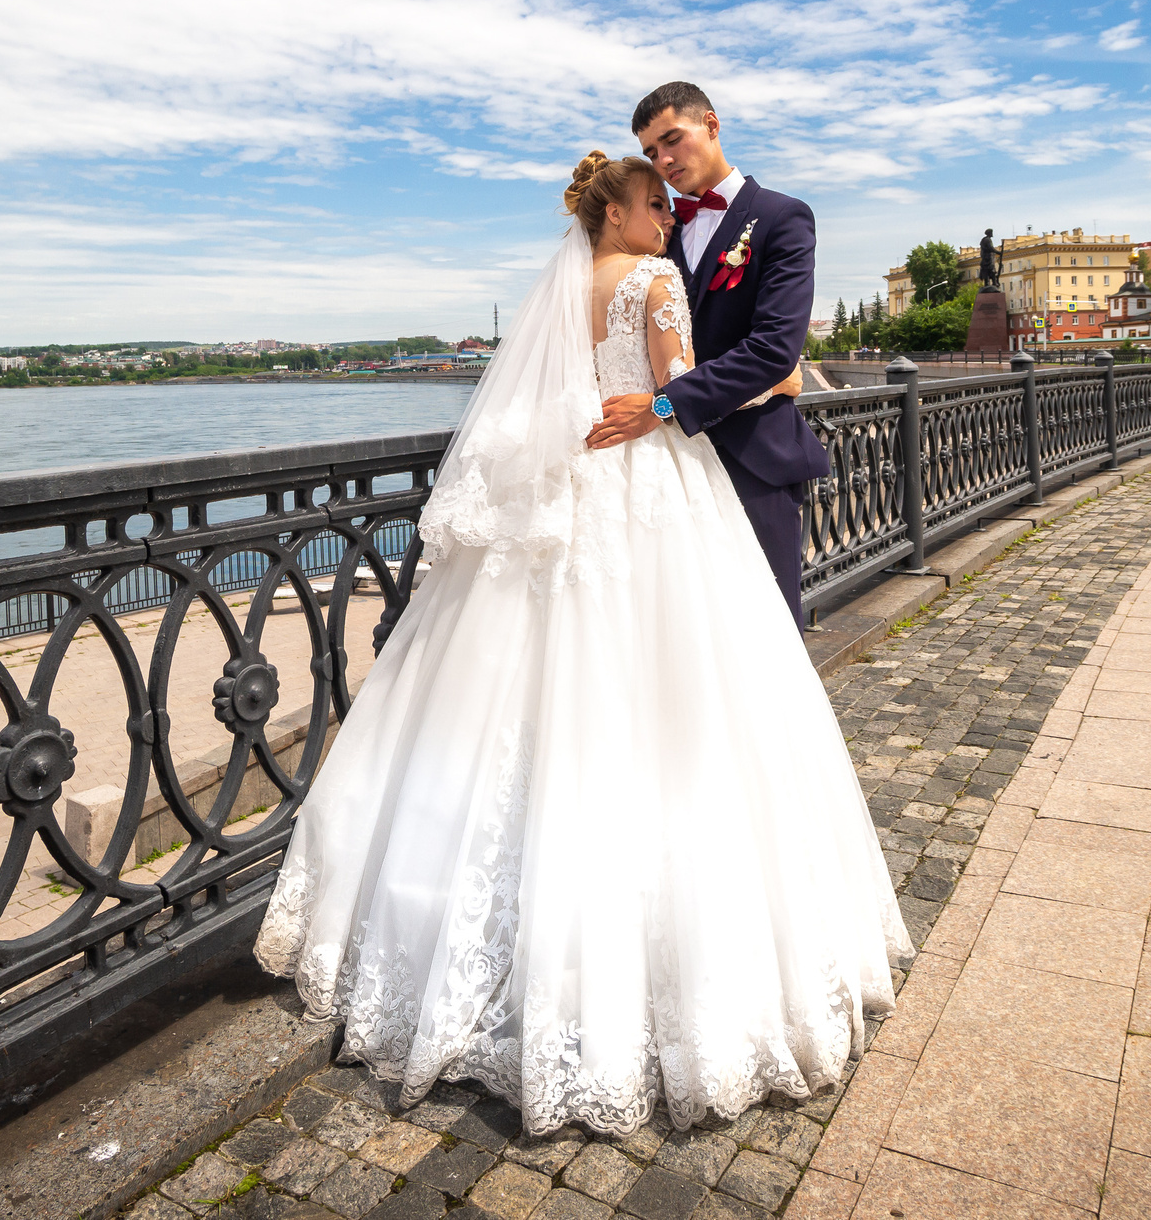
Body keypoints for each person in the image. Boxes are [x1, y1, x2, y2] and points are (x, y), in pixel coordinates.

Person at [254, 150, 908, 1139]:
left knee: (513, 698)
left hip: (565, 489)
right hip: (648, 487)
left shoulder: (561, 289)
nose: (663, 217)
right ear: (615, 212)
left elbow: (539, 401)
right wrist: (762, 393)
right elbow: (673, 393)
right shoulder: (652, 281)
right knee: (677, 696)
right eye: (652, 204)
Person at [588, 82, 830, 630]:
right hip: (654, 473)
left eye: (672, 140)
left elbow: (773, 349)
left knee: (764, 636)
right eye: (651, 152)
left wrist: (662, 406)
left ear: (712, 125)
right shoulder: (656, 229)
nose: (664, 160)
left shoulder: (782, 218)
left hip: (752, 460)